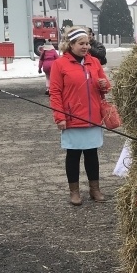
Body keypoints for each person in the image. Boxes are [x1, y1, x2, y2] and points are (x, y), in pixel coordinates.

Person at [49, 26, 110, 206]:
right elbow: (55, 92)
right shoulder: (60, 64)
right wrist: (59, 116)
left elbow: (106, 86)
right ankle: (74, 192)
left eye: (87, 43)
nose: (86, 47)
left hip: (93, 117)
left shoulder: (94, 62)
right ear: (71, 44)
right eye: (81, 44)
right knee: (73, 155)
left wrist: (103, 84)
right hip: (72, 118)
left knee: (92, 155)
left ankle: (94, 189)